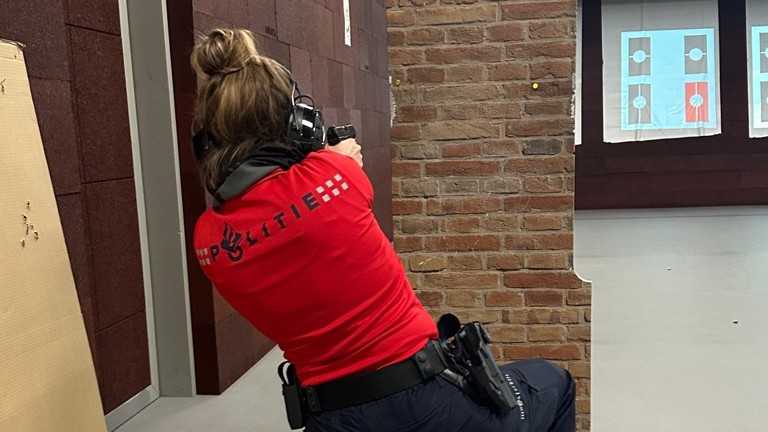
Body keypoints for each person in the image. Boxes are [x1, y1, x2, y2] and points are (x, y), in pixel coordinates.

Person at [190, 28, 576, 432]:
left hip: (331, 417)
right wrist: (328, 156)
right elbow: (325, 186)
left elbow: (282, 218)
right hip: (427, 403)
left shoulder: (208, 240)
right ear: (297, 125)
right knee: (554, 383)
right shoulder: (334, 173)